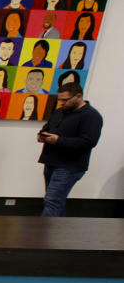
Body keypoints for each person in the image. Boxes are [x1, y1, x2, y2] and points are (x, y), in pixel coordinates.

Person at [37, 82, 102, 217]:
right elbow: (48, 127)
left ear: (78, 96)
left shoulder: (91, 116)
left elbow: (89, 141)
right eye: (59, 99)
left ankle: (45, 235)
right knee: (55, 200)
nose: (61, 102)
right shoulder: (59, 112)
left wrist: (58, 140)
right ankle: (56, 233)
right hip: (51, 161)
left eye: (65, 100)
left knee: (52, 200)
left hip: (70, 165)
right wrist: (42, 135)